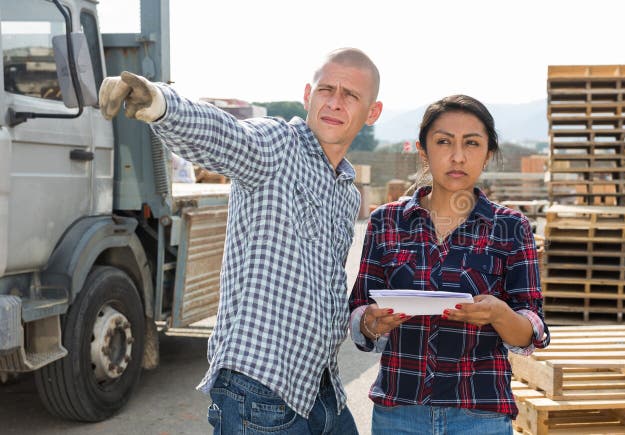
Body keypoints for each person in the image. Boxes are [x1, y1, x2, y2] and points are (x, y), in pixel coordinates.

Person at [99, 47, 383, 434]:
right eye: (326, 89)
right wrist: (159, 103)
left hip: (319, 386)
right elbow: (226, 137)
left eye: (350, 95)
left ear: (372, 112)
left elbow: (329, 284)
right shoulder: (277, 147)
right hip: (261, 391)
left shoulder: (346, 191)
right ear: (307, 95)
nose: (334, 102)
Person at [348, 95, 549, 434]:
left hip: (479, 415)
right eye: (443, 142)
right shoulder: (387, 221)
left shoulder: (510, 226)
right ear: (423, 151)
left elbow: (532, 328)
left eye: (472, 143)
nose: (457, 156)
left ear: (488, 153)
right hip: (399, 413)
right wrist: (370, 322)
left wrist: (499, 314)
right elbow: (359, 312)